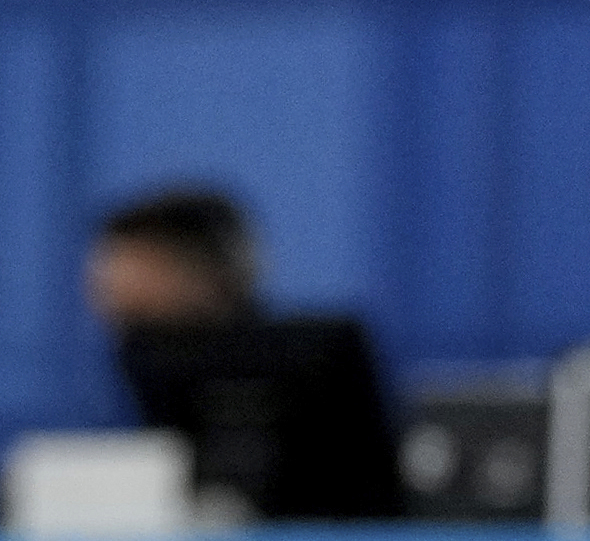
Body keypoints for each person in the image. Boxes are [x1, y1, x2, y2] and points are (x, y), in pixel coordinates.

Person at [85, 190, 402, 523]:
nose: (104, 286)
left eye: (126, 266)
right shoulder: (137, 359)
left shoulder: (320, 350)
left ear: (196, 270)